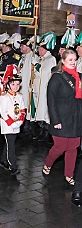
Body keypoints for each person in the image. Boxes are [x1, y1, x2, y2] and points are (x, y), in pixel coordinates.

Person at [42, 49, 81, 186]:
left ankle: (69, 175)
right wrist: (56, 120)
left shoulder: (79, 77)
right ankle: (48, 164)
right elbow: (51, 100)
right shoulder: (57, 77)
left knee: (73, 147)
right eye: (70, 60)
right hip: (61, 118)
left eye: (75, 59)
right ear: (63, 61)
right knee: (60, 146)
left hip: (75, 118)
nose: (73, 62)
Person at [0, 64, 25, 175]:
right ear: (8, 85)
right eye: (13, 84)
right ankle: (12, 165)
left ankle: (3, 160)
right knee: (11, 145)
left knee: (9, 143)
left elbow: (22, 109)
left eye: (18, 84)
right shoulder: (4, 97)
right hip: (7, 125)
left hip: (17, 124)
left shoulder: (19, 96)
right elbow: (3, 112)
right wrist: (11, 123)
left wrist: (20, 121)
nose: (16, 86)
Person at [31, 32, 56, 141]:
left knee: (45, 110)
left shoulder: (51, 59)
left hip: (45, 89)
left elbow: (46, 72)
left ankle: (46, 132)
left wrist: (36, 65)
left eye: (41, 48)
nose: (39, 50)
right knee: (38, 109)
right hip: (37, 88)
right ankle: (41, 130)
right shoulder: (41, 59)